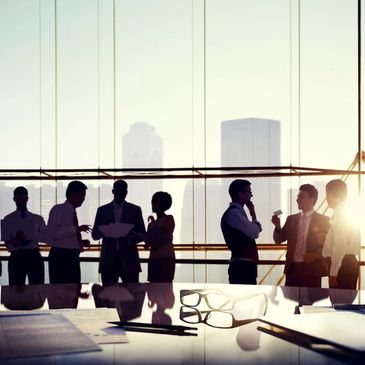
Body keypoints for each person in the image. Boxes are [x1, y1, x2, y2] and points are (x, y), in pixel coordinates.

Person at [271, 184, 330, 288]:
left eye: (301, 197)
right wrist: (277, 226)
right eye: (297, 197)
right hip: (292, 269)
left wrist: (316, 255)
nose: (297, 200)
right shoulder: (291, 219)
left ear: (312, 199)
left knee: (310, 302)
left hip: (312, 269)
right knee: (290, 302)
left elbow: (329, 245)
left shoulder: (324, 220)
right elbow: (278, 240)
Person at [92, 180, 146, 284]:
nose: (121, 194)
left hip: (129, 259)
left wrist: (130, 238)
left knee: (132, 295)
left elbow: (142, 234)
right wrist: (104, 229)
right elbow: (94, 235)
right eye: (118, 191)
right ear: (113, 191)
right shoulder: (102, 210)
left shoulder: (135, 210)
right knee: (107, 297)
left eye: (123, 192)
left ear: (126, 192)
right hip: (109, 259)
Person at [46, 180, 91, 284]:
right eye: (82, 195)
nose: (83, 199)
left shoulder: (72, 211)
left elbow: (64, 237)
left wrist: (80, 242)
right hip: (61, 257)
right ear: (72, 194)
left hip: (72, 256)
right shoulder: (58, 209)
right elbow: (53, 233)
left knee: (74, 291)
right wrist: (77, 229)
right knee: (59, 292)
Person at [221, 179, 262, 284]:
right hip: (242, 268)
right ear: (240, 194)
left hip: (243, 266)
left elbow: (256, 229)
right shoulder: (234, 214)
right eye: (249, 192)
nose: (251, 195)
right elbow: (255, 232)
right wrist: (253, 214)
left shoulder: (236, 213)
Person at [2, 186, 46, 285]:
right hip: (17, 256)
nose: (21, 202)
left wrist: (34, 235)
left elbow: (46, 237)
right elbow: (8, 245)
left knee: (37, 289)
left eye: (23, 199)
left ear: (27, 199)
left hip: (33, 256)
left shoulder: (38, 219)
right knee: (16, 291)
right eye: (18, 199)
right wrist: (15, 243)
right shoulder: (8, 219)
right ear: (14, 199)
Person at [322, 179, 360, 289]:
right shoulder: (348, 211)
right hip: (348, 263)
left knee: (339, 303)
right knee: (346, 304)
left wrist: (333, 273)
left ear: (335, 194)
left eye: (328, 194)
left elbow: (340, 246)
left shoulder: (340, 213)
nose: (327, 198)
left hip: (342, 265)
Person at [145, 191, 175, 283]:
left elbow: (165, 237)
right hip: (153, 258)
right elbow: (149, 242)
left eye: (156, 202)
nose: (153, 205)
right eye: (152, 202)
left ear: (163, 204)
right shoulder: (150, 225)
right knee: (153, 290)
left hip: (166, 258)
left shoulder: (169, 218)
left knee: (165, 288)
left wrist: (154, 223)